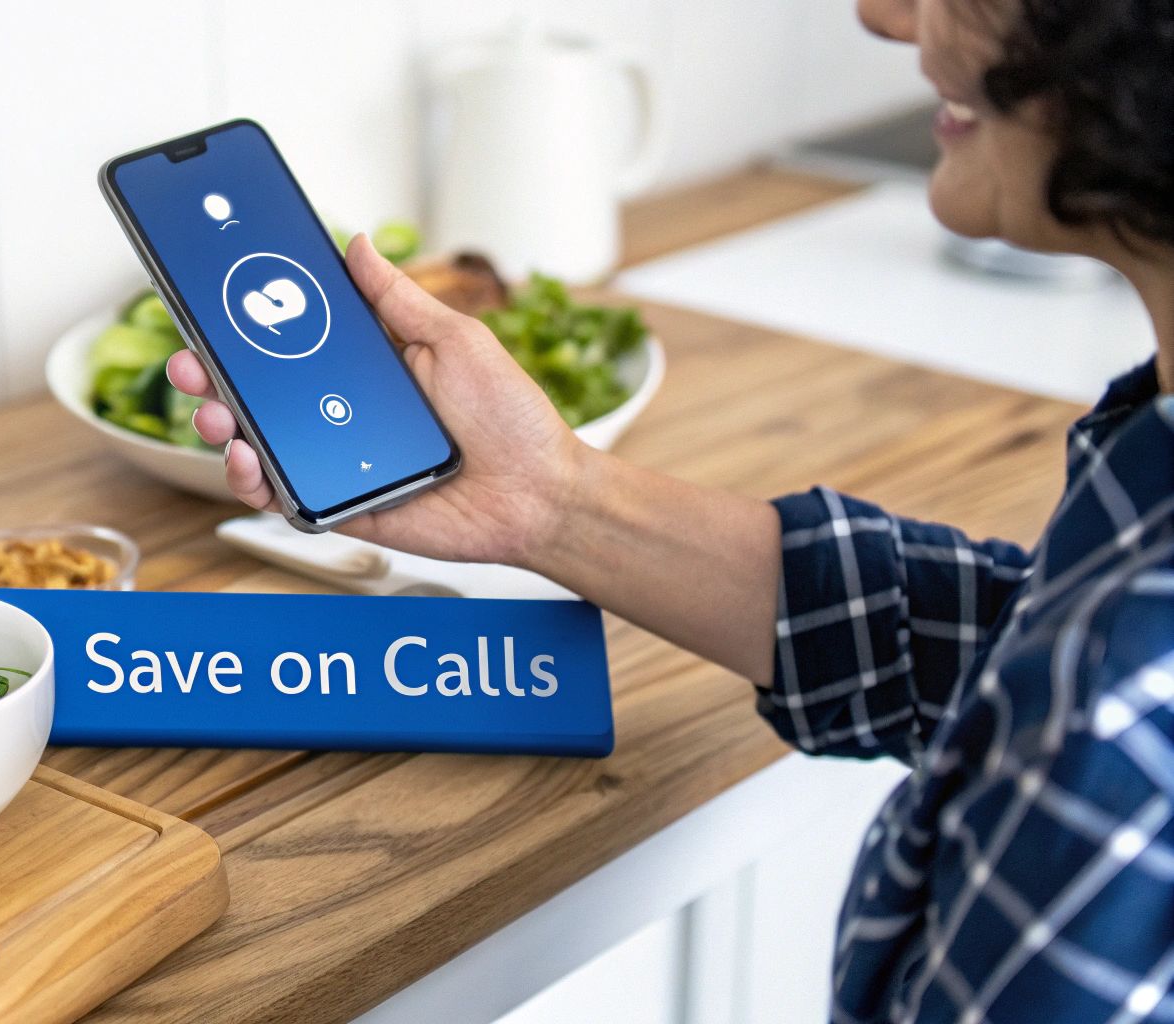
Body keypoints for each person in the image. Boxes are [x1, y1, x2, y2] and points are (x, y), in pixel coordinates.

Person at [167, 0, 1174, 1020]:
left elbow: (1062, 689)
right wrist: (554, 502)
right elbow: (1002, 647)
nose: (880, 16)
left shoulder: (1110, 708)